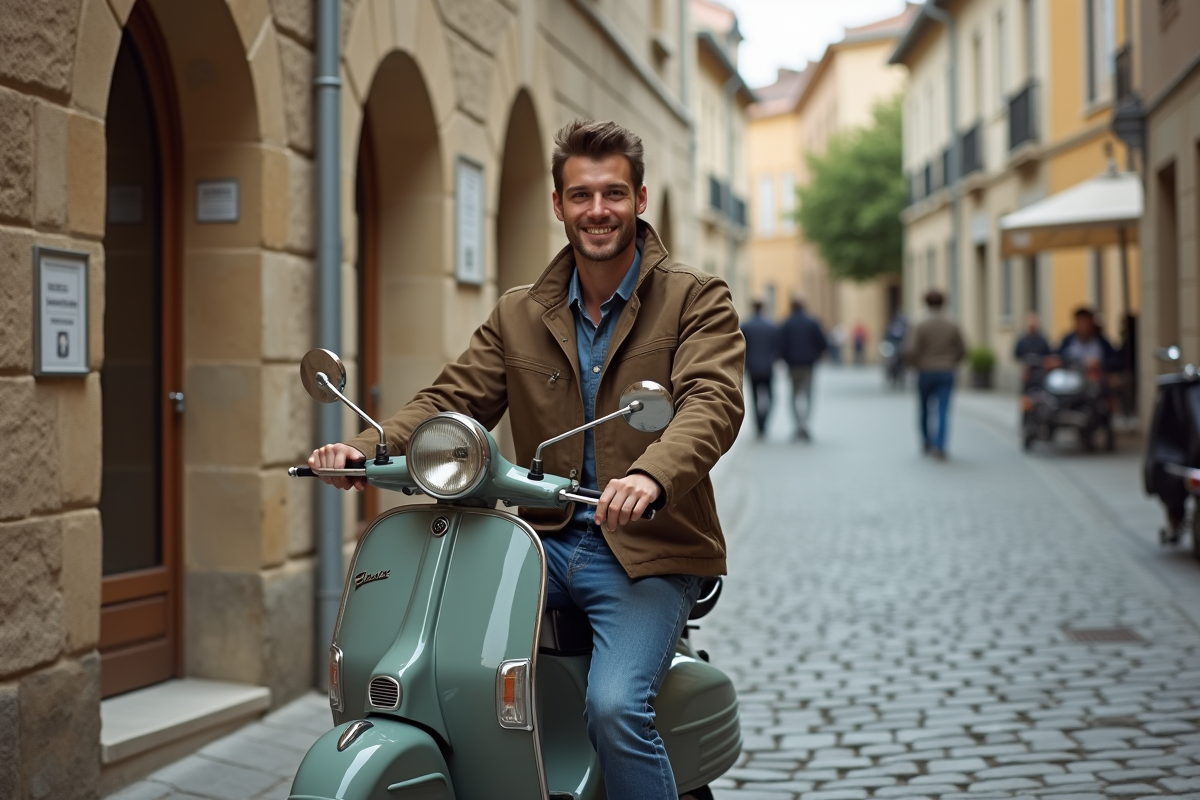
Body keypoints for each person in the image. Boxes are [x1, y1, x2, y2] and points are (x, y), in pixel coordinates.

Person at [308, 120, 745, 800]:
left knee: (615, 707)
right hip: (537, 542)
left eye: (613, 193)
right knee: (452, 671)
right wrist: (363, 450)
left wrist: (650, 475)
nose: (597, 210)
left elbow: (712, 401)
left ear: (640, 200)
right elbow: (452, 400)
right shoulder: (520, 312)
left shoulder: (694, 295)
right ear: (557, 204)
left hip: (646, 545)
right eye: (581, 195)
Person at [904, 289, 966, 460]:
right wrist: (952, 361)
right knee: (943, 410)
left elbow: (911, 350)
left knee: (924, 408)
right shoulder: (952, 324)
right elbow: (962, 349)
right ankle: (940, 445)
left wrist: (915, 364)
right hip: (946, 371)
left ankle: (927, 441)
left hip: (925, 371)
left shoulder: (920, 324)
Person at [779, 298, 827, 440]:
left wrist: (784, 358)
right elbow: (822, 343)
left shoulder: (787, 323)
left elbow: (781, 344)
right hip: (808, 365)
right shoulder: (812, 323)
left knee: (793, 396)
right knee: (808, 395)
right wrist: (817, 355)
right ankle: (805, 424)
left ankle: (797, 424)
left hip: (792, 365)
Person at [741, 299, 780, 438]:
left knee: (754, 398)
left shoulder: (746, 326)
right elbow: (777, 347)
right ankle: (764, 422)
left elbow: (741, 347)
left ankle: (758, 424)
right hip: (767, 368)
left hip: (752, 368)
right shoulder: (771, 326)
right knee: (771, 397)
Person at [1058, 306, 1121, 372]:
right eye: (1080, 322)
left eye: (1085, 322)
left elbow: (1115, 361)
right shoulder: (1068, 341)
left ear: (1092, 323)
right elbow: (1058, 357)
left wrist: (1100, 363)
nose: (1083, 326)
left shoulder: (1101, 342)